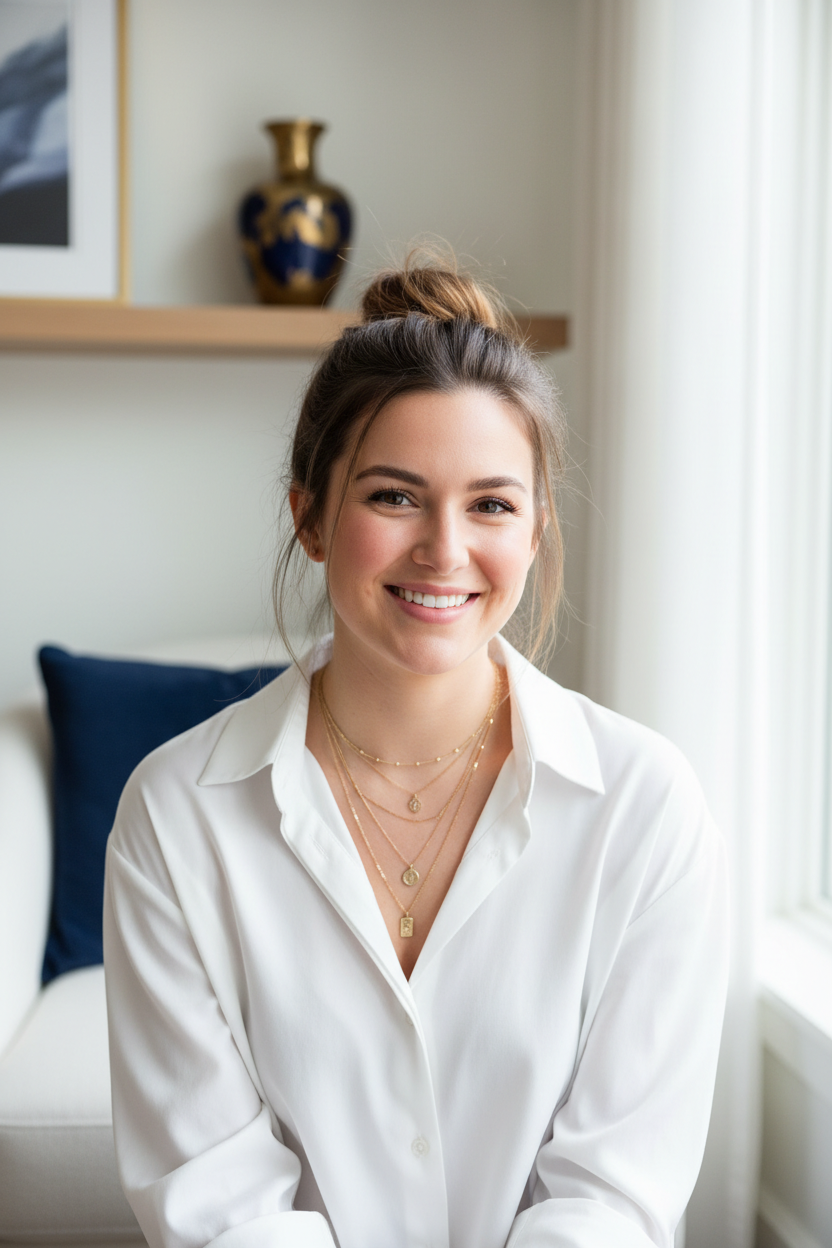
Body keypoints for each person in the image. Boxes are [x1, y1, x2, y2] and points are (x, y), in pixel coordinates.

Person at [103, 257, 728, 1248]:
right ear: (308, 515)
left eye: (490, 505)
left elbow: (611, 1199)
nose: (445, 550)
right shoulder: (175, 814)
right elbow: (220, 1204)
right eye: (394, 497)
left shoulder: (646, 809)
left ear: (535, 530)